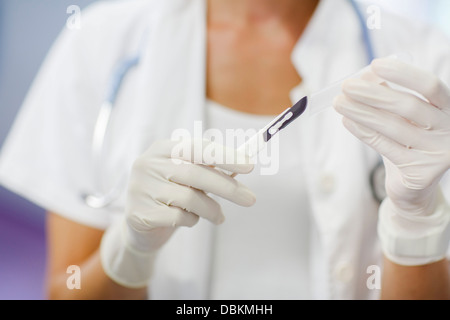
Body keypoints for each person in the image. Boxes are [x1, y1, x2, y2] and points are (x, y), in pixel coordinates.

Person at [0, 0, 449, 300]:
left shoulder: (426, 60)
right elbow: (65, 289)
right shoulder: (102, 41)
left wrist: (417, 221)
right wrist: (129, 251)